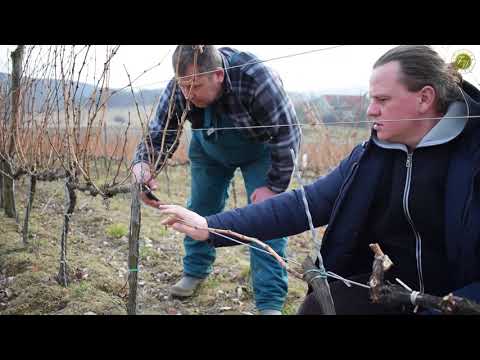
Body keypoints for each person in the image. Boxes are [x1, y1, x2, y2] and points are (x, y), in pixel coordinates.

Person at [157, 45, 480, 314]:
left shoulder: (474, 157)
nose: (370, 111)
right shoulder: (371, 156)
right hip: (393, 290)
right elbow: (303, 204)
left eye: (382, 101)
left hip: (458, 300)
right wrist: (209, 226)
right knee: (316, 309)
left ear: (425, 98)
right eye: (370, 99)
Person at [132, 45, 302, 315]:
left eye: (196, 86)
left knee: (267, 218)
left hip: (260, 152)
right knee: (200, 208)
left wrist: (274, 186)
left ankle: (269, 301)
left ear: (219, 75)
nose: (188, 94)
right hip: (208, 149)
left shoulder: (256, 77)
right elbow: (159, 134)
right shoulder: (182, 85)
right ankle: (194, 272)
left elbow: (287, 134)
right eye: (184, 86)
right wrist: (144, 165)